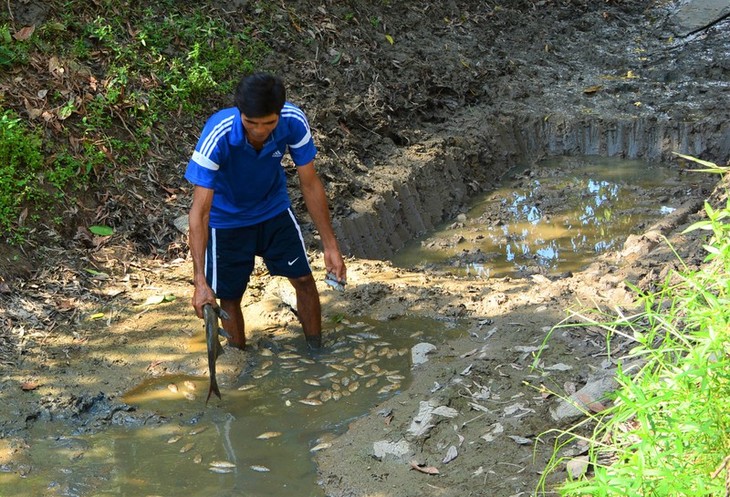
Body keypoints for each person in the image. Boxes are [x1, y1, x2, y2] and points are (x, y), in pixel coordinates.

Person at [185, 72, 346, 350]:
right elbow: (199, 211)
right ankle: (239, 357)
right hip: (226, 220)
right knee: (230, 296)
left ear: (279, 114)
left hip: (273, 209)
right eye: (251, 123)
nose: (260, 131)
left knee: (304, 279)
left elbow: (309, 182)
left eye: (269, 123)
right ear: (240, 113)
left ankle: (316, 349)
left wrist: (330, 245)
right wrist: (200, 280)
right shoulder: (218, 132)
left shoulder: (293, 121)